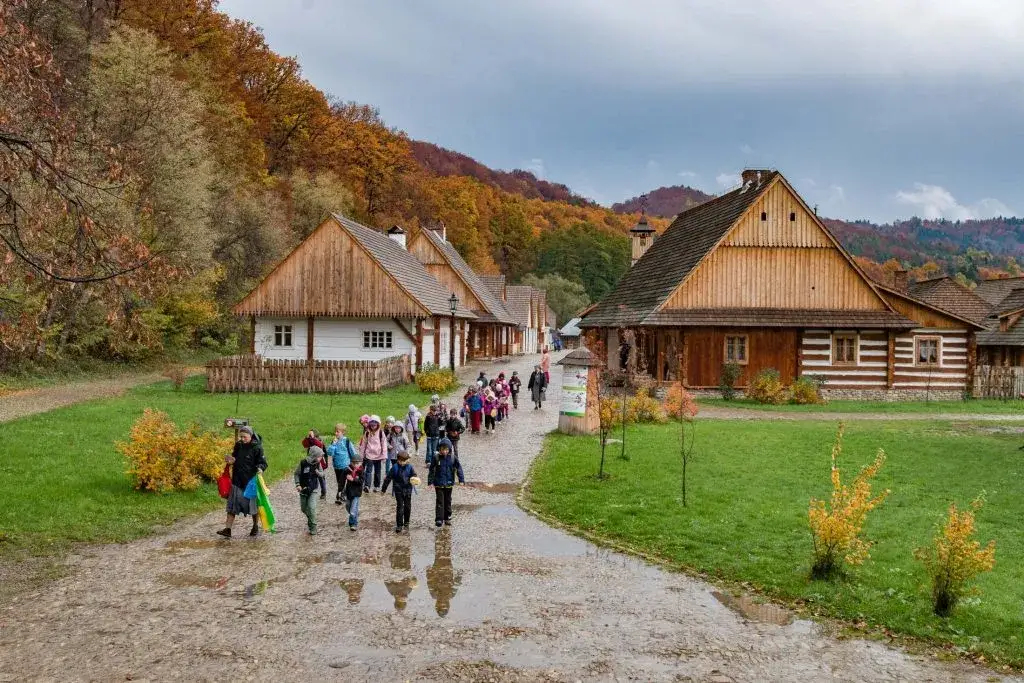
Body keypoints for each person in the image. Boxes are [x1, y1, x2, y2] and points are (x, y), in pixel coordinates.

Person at [218, 426, 267, 539]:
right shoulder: (238, 445)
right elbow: (234, 457)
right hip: (237, 481)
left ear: (251, 436)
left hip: (251, 483)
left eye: (244, 437)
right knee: (232, 506)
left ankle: (255, 526)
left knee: (253, 507)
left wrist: (260, 468)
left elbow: (263, 463)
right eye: (241, 437)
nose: (242, 439)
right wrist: (231, 460)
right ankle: (228, 529)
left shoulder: (257, 448)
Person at [428, 438, 464, 527]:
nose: (444, 451)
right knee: (440, 501)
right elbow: (431, 470)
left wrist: (461, 480)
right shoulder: (436, 458)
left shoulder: (453, 458)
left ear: (449, 449)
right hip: (438, 484)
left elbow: (459, 468)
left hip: (449, 483)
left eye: (446, 449)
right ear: (439, 449)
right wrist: (430, 482)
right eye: (443, 449)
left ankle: (447, 517)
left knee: (448, 501)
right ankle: (439, 519)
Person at [381, 451, 418, 533]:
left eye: (404, 461)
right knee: (400, 507)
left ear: (407, 460)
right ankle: (399, 525)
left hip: (408, 490)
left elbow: (414, 475)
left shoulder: (410, 467)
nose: (402, 463)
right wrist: (383, 489)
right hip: (398, 490)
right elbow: (388, 478)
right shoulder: (394, 468)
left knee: (407, 506)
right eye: (400, 461)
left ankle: (407, 521)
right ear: (397, 460)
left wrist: (414, 479)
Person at [294, 444, 324, 535]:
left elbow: (322, 474)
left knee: (312, 507)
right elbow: (296, 474)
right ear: (314, 456)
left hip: (313, 488)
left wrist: (318, 472)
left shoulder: (318, 464)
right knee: (304, 509)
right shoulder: (303, 463)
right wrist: (297, 484)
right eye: (320, 456)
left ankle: (313, 526)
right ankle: (311, 518)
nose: (321, 458)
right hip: (303, 489)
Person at [327, 423, 356, 505]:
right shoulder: (334, 442)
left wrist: (355, 463)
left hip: (346, 466)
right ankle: (342, 494)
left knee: (344, 481)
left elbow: (353, 452)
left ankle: (340, 496)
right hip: (337, 466)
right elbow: (330, 453)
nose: (336, 433)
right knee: (339, 481)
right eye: (335, 432)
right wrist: (333, 444)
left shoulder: (347, 441)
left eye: (337, 432)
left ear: (343, 432)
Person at [360, 415, 387, 492]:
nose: (373, 427)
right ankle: (367, 486)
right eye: (371, 425)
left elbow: (384, 444)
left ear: (378, 425)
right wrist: (362, 455)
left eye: (375, 425)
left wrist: (384, 456)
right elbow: (363, 444)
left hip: (378, 456)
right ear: (369, 425)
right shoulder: (367, 433)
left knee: (377, 472)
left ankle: (376, 486)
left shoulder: (381, 433)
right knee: (368, 471)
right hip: (369, 455)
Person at [302, 430, 328, 500]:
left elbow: (319, 445)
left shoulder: (319, 441)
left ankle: (323, 492)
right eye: (309, 434)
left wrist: (312, 439)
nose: (309, 436)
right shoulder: (310, 441)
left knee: (321, 478)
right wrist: (306, 438)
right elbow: (304, 444)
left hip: (319, 463)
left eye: (311, 434)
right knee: (311, 476)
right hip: (311, 462)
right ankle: (311, 490)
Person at [344, 452, 364, 530]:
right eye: (354, 463)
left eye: (357, 463)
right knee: (347, 506)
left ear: (361, 463)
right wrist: (340, 490)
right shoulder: (347, 469)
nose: (355, 465)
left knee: (352, 510)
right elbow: (342, 479)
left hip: (356, 493)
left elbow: (361, 481)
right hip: (348, 492)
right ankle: (355, 515)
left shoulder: (361, 471)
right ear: (351, 463)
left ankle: (353, 524)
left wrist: (353, 479)